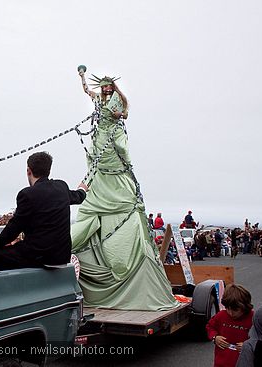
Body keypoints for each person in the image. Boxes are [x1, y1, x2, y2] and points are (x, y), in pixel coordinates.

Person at [70, 68, 178, 310]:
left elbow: (125, 113)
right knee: (98, 164)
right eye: (105, 86)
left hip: (112, 136)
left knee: (118, 155)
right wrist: (82, 79)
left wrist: (117, 109)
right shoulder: (98, 99)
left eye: (109, 85)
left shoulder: (117, 100)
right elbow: (87, 92)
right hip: (99, 141)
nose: (106, 88)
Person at [0, 152, 87, 273]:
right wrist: (82, 188)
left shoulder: (27, 194)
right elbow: (78, 197)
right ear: (48, 170)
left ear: (29, 170)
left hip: (38, 257)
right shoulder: (61, 187)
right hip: (61, 258)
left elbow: (14, 227)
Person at [207, 284, 254, 367]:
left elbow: (260, 338)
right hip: (221, 361)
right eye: (228, 308)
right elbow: (210, 326)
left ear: (244, 306)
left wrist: (248, 345)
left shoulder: (253, 318)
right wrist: (215, 337)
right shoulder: (221, 315)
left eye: (235, 310)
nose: (231, 313)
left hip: (243, 361)